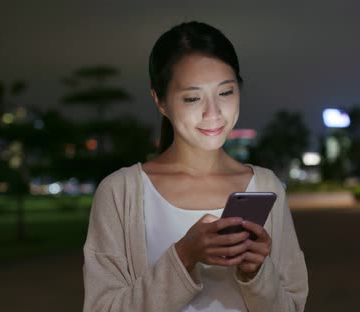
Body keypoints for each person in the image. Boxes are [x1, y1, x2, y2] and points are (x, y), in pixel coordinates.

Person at [82, 21, 308, 311]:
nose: (212, 113)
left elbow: (292, 307)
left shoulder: (265, 186)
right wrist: (184, 256)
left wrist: (256, 273)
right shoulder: (120, 192)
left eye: (225, 92)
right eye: (192, 98)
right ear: (160, 102)